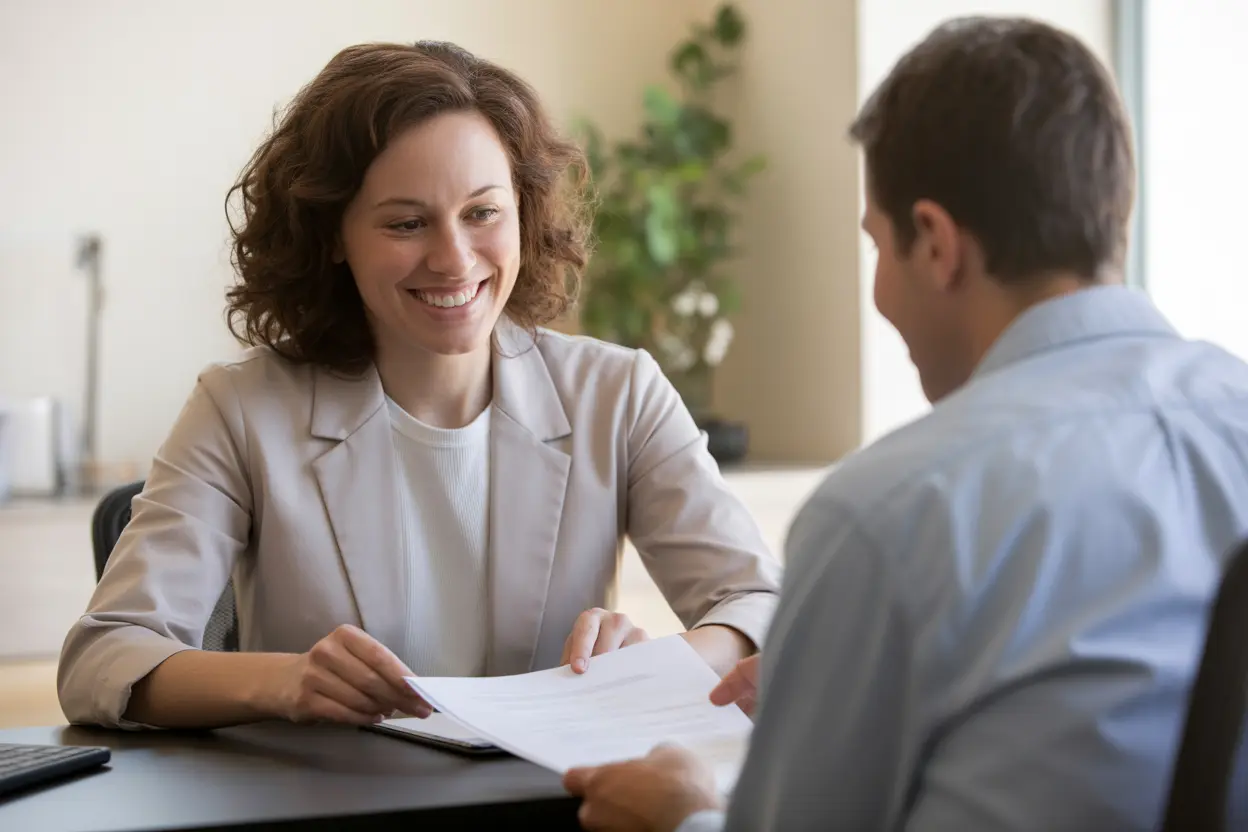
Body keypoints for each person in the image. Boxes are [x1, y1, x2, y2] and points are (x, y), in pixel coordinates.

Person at [563, 16, 1248, 832]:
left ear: (934, 243)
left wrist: (684, 816)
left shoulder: (892, 512)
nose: (880, 289)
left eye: (876, 246)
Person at [57, 41, 781, 731]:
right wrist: (284, 682)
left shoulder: (618, 394)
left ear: (522, 214)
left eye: (483, 213)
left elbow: (761, 603)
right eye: (406, 222)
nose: (454, 258)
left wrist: (655, 667)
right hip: (331, 808)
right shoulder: (241, 409)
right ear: (333, 237)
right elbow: (105, 657)